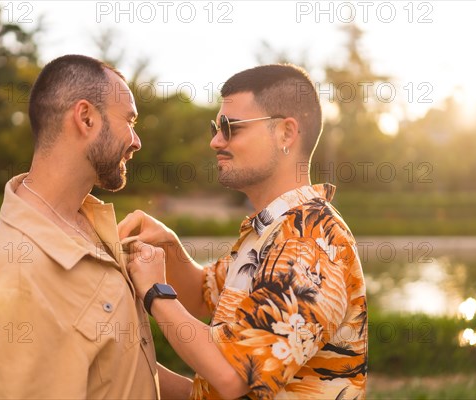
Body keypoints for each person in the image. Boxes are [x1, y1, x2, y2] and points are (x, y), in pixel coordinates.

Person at [120, 64, 368, 399]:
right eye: (215, 127)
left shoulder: (308, 243)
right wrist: (168, 245)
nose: (215, 141)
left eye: (229, 127)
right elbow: (201, 296)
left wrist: (154, 292)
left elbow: (233, 375)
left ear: (285, 133)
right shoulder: (270, 230)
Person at [0, 55, 191, 399]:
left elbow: (116, 368)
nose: (137, 141)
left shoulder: (87, 223)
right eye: (130, 120)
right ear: (85, 118)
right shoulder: (18, 282)